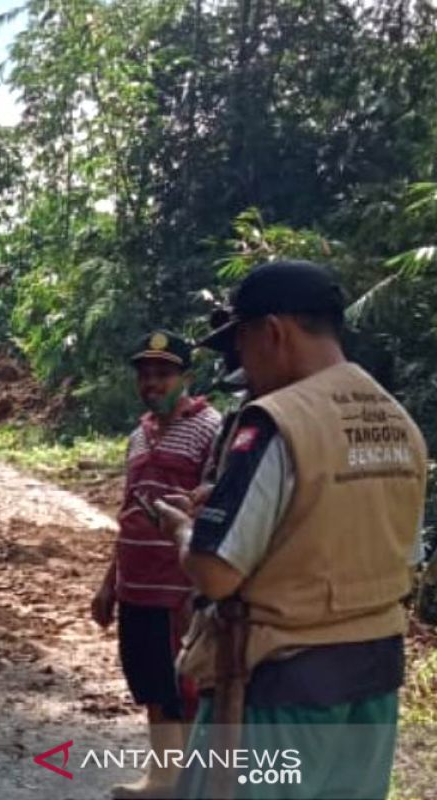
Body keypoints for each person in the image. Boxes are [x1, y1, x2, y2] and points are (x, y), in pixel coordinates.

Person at [155, 261, 428, 800]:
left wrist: (186, 532)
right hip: (374, 681)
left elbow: (215, 574)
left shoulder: (276, 421)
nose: (245, 369)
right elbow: (391, 546)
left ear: (273, 332)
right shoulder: (399, 422)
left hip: (282, 688)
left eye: (243, 344)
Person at [91, 330, 222, 799]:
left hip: (179, 589)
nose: (152, 383)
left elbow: (219, 509)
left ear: (185, 377)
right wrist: (110, 584)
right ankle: (163, 779)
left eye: (163, 374)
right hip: (136, 586)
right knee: (150, 682)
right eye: (145, 375)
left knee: (185, 689)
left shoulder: (212, 429)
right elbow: (128, 511)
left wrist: (200, 587)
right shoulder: (138, 436)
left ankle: (191, 783)